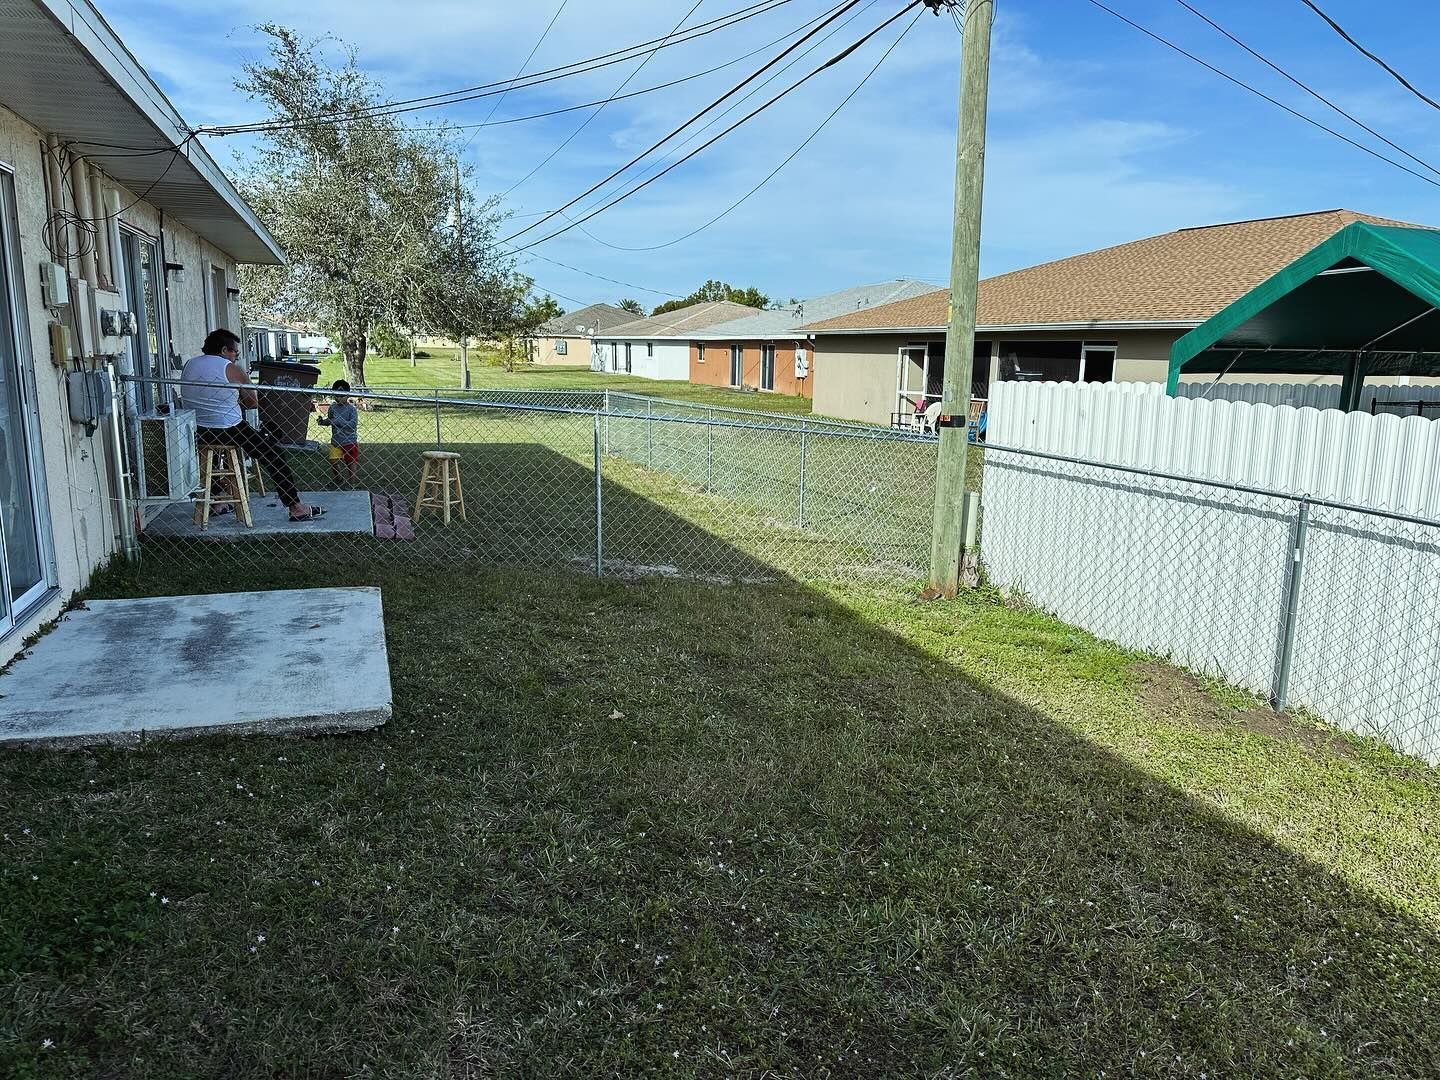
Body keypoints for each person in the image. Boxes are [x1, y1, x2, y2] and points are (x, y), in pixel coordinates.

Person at [180, 329, 325, 521]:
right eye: (235, 354)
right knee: (273, 454)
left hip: (198, 430)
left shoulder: (190, 364)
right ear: (224, 350)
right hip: (228, 429)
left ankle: (217, 502)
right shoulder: (230, 368)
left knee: (213, 457)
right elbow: (252, 402)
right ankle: (295, 506)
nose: (236, 358)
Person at [316, 379, 359, 487]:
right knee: (333, 460)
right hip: (336, 441)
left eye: (341, 396)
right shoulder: (333, 408)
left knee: (350, 463)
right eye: (336, 395)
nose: (338, 398)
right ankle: (338, 478)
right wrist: (323, 422)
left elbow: (352, 425)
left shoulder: (351, 409)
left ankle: (351, 483)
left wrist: (339, 421)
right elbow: (330, 420)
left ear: (348, 395)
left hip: (350, 441)